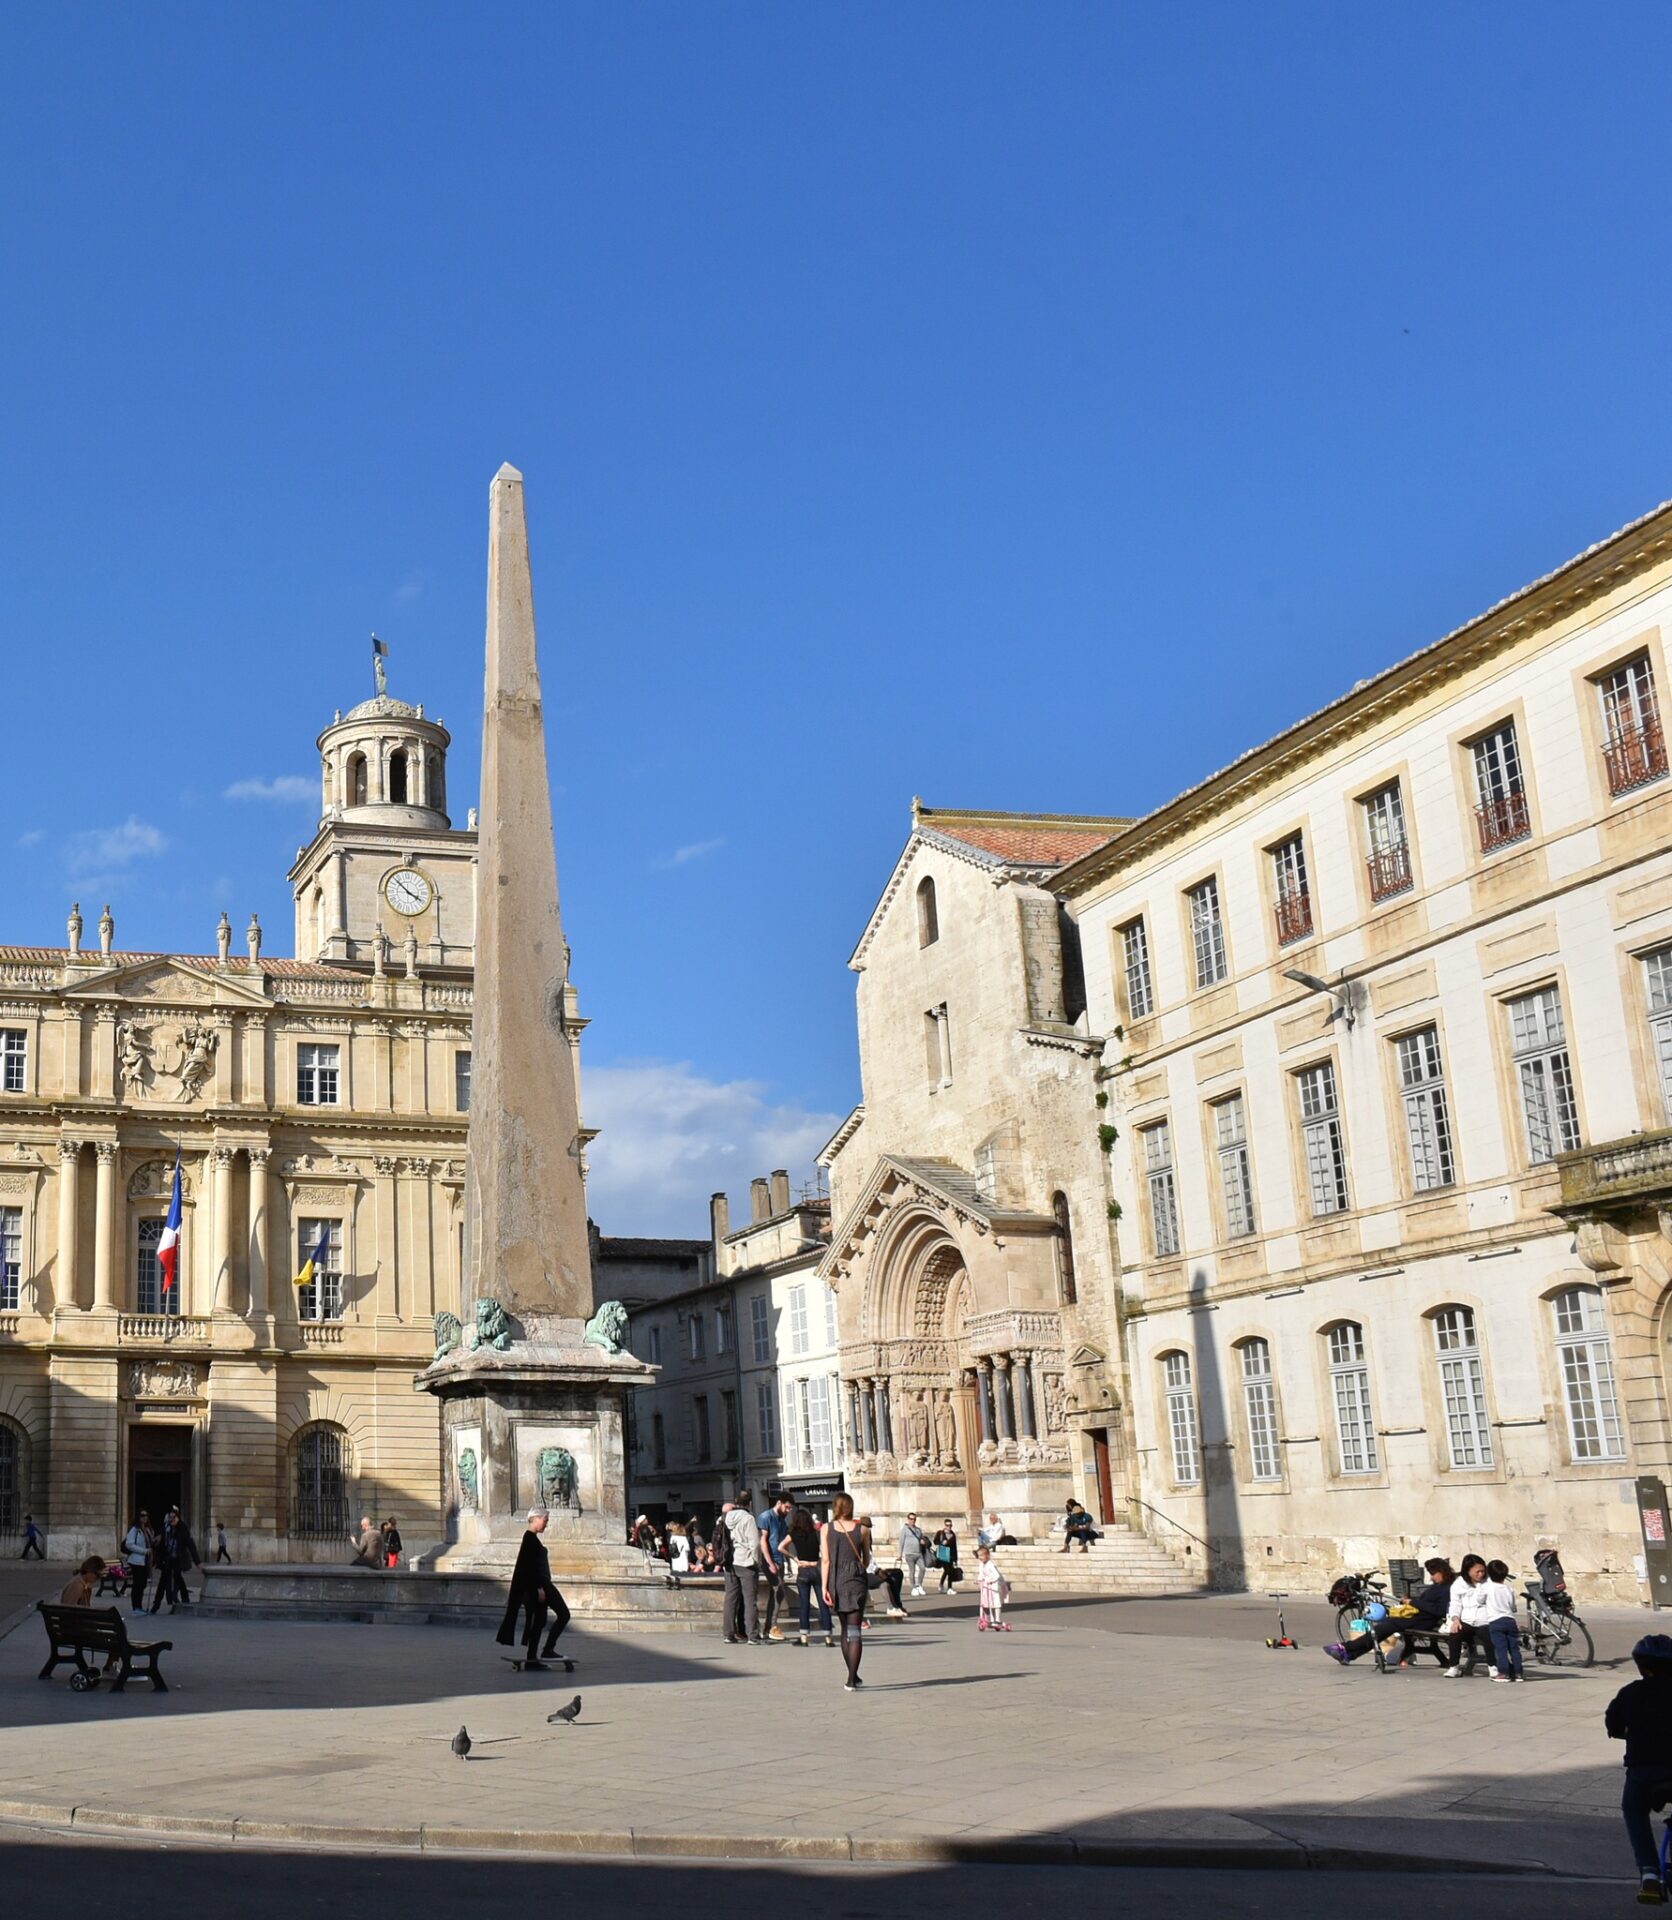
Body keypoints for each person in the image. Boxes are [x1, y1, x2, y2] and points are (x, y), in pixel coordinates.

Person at [1607, 1631, 1672, 1901]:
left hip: (1643, 1771)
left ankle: (1649, 1873)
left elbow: (1613, 1725)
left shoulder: (1630, 1692)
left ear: (1641, 1667)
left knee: (1634, 1810)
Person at [1324, 1558, 1456, 1667]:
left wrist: (1414, 1602)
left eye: (1433, 1574)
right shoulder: (1439, 1586)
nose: (1432, 1578)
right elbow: (1426, 1602)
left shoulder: (1447, 1589)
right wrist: (1410, 1602)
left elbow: (1439, 1610)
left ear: (1441, 1572)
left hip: (1423, 1621)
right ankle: (1349, 1654)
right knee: (1382, 1630)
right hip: (1415, 1617)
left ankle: (1346, 1648)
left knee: (1383, 1628)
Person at [497, 1506, 560, 1669]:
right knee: (561, 1614)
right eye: (545, 1520)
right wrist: (539, 1588)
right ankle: (547, 1650)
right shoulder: (530, 1539)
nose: (546, 1524)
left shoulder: (531, 1538)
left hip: (538, 1586)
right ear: (536, 1518)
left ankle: (533, 1658)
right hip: (539, 1586)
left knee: (539, 1620)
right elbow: (529, 1567)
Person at [822, 1492, 871, 1692]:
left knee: (844, 1631)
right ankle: (852, 1678)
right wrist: (856, 1568)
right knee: (855, 1631)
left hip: (837, 1581)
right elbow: (866, 1559)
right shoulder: (863, 1529)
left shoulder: (826, 1528)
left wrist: (824, 1587)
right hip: (856, 1581)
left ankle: (852, 1675)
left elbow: (826, 1560)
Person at [787, 1503, 834, 1647]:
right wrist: (817, 1562)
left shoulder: (793, 1534)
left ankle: (804, 1637)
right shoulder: (815, 1533)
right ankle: (828, 1637)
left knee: (804, 1604)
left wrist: (794, 1558)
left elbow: (780, 1547)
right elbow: (825, 1552)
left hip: (803, 1570)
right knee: (823, 1603)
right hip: (816, 1569)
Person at [721, 1492, 764, 1644]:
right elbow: (755, 1544)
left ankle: (728, 1633)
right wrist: (756, 1561)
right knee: (750, 1600)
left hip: (730, 1562)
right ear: (749, 1504)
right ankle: (752, 1635)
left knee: (730, 1599)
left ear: (735, 1502)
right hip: (746, 1561)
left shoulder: (725, 1517)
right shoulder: (748, 1518)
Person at [1445, 1553, 1494, 1677]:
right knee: (1455, 1633)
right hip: (1466, 1620)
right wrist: (1456, 1620)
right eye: (1477, 1572)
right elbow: (1455, 1604)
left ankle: (1493, 1667)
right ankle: (1454, 1666)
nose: (1480, 1574)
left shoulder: (1489, 1583)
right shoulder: (1458, 1584)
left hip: (1485, 1621)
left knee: (1488, 1636)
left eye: (1482, 1571)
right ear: (1468, 1571)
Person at [1480, 1558, 1524, 1682]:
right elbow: (1513, 1606)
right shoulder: (1509, 1589)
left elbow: (1480, 1599)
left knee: (1500, 1649)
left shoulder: (1487, 1587)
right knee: (1514, 1648)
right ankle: (1518, 1673)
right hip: (1510, 1620)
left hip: (1496, 1621)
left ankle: (1504, 1673)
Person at [757, 1493, 793, 1642]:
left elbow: (783, 1542)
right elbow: (763, 1541)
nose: (788, 1511)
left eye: (790, 1508)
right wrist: (770, 1563)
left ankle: (768, 1629)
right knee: (779, 1591)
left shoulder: (782, 1520)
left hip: (779, 1560)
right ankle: (772, 1626)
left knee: (776, 1593)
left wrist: (787, 1561)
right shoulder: (766, 1517)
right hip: (770, 1560)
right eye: (787, 1507)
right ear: (779, 1503)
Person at [122, 1511, 155, 1614]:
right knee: (138, 1584)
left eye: (146, 1515)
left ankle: (139, 1607)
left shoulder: (148, 1530)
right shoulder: (134, 1530)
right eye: (142, 1515)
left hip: (144, 1561)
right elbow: (129, 1544)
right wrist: (144, 1551)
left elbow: (150, 1543)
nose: (145, 1517)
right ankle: (136, 1607)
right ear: (138, 1517)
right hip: (136, 1561)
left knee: (142, 1584)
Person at [975, 1544, 1011, 1631]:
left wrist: (990, 1580)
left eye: (982, 1555)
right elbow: (981, 1574)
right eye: (979, 1556)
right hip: (988, 1585)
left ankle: (997, 1620)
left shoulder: (990, 1564)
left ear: (987, 1555)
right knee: (989, 1602)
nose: (980, 1558)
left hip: (996, 1585)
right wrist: (979, 1580)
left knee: (996, 1602)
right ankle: (992, 1619)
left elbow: (996, 1575)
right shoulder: (981, 1564)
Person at [900, 1513, 931, 1597]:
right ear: (908, 1519)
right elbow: (901, 1542)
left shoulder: (918, 1530)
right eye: (911, 1519)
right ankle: (913, 1587)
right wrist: (900, 1554)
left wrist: (922, 1542)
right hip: (909, 1554)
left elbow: (921, 1538)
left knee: (923, 1568)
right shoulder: (904, 1530)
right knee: (912, 1571)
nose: (912, 1521)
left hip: (918, 1553)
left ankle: (919, 1585)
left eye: (914, 1519)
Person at [933, 1518, 960, 1593]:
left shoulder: (953, 1534)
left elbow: (954, 1547)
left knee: (947, 1571)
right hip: (943, 1553)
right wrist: (942, 1542)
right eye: (947, 1525)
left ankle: (941, 1584)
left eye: (950, 1525)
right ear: (945, 1525)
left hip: (951, 1555)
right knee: (949, 1571)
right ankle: (949, 1588)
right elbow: (935, 1541)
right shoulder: (940, 1533)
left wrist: (955, 1559)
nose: (949, 1527)